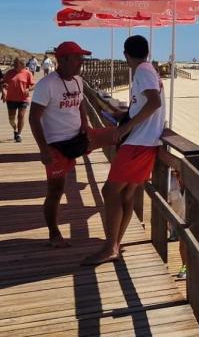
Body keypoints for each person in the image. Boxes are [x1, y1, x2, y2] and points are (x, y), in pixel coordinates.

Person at [83, 35, 164, 266]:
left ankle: (110, 247)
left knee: (110, 191)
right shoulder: (149, 70)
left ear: (126, 54)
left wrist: (127, 126)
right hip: (146, 141)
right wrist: (125, 115)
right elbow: (145, 103)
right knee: (126, 193)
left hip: (139, 142)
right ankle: (115, 244)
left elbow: (154, 102)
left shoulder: (142, 71)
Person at [29, 41, 93, 248]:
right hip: (56, 145)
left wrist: (85, 123)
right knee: (56, 190)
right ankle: (54, 233)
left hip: (77, 139)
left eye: (82, 58)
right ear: (63, 60)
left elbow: (81, 103)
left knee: (115, 136)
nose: (81, 62)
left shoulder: (78, 81)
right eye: (77, 58)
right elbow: (33, 118)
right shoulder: (46, 85)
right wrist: (43, 149)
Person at [2, 57, 36, 142]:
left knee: (21, 116)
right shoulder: (9, 73)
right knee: (11, 119)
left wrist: (28, 89)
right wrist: (4, 90)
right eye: (14, 63)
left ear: (21, 64)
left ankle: (19, 134)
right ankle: (15, 129)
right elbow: (3, 83)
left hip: (23, 99)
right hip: (11, 98)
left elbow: (33, 85)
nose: (14, 64)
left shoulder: (28, 73)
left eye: (16, 63)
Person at [169, 167, 188, 280]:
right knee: (182, 244)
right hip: (175, 222)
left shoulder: (195, 183)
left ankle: (186, 266)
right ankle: (185, 266)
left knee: (186, 243)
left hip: (192, 220)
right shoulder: (169, 181)